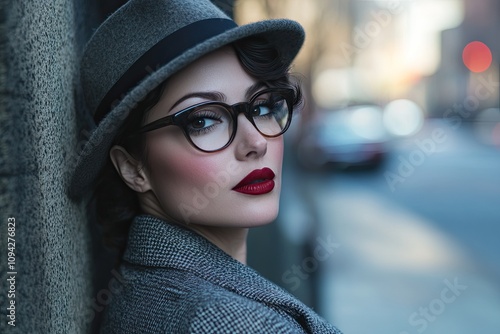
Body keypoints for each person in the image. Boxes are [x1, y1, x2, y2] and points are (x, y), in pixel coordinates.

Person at [69, 0, 342, 332]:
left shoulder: (145, 289)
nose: (255, 143)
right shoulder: (236, 323)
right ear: (132, 168)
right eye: (202, 121)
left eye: (262, 107)